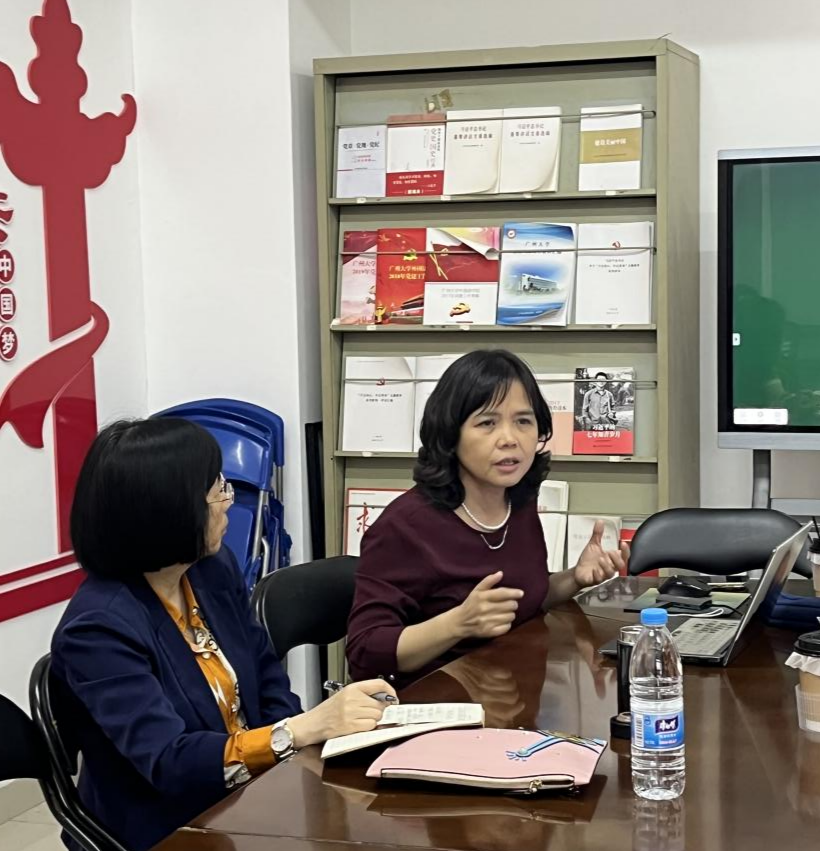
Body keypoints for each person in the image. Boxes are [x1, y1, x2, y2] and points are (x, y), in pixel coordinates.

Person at [51, 418, 395, 850]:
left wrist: (292, 754)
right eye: (217, 491)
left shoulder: (209, 570)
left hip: (252, 794)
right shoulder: (97, 629)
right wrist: (297, 732)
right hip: (171, 825)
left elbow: (265, 675)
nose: (228, 502)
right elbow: (169, 761)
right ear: (168, 511)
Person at [346, 349, 629, 686]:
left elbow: (518, 602)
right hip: (432, 704)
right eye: (487, 423)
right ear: (451, 435)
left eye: (523, 421)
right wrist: (458, 623)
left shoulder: (518, 501)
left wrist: (575, 579)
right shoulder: (404, 526)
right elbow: (365, 652)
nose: (509, 439)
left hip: (511, 693)